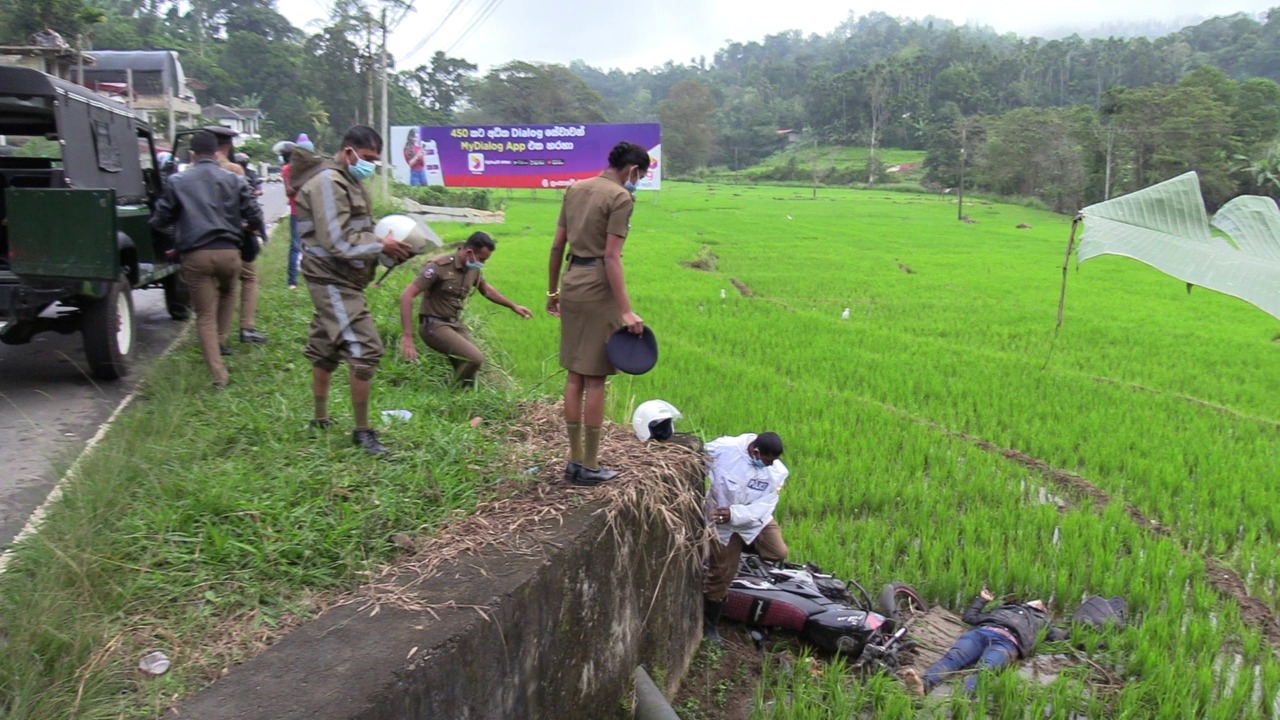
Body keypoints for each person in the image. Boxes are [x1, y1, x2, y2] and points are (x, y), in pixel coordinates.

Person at [292, 125, 412, 455]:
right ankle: (362, 431)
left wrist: (387, 246)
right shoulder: (329, 183)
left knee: (325, 347)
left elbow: (356, 230)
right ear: (348, 152)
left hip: (343, 277)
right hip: (331, 278)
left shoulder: (348, 180)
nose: (370, 165)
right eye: (367, 158)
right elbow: (338, 240)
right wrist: (381, 245)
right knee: (366, 348)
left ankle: (319, 419)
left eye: (374, 160)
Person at [546, 141, 651, 486]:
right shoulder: (620, 197)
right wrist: (626, 310)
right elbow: (611, 256)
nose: (638, 182)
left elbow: (557, 245)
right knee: (595, 379)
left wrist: (552, 292)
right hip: (597, 286)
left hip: (572, 280)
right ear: (632, 170)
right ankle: (589, 464)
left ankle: (574, 461)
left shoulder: (575, 189)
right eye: (640, 176)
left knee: (574, 375)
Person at [150, 130, 263, 388]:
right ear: (216, 153)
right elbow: (254, 215)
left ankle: (218, 374)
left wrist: (178, 232)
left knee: (204, 314)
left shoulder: (178, 181)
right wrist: (245, 228)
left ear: (192, 154)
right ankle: (221, 339)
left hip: (195, 254)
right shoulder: (233, 179)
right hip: (229, 252)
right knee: (229, 292)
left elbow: (159, 220)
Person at [397, 231, 531, 388]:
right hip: (433, 326)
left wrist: (513, 306)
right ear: (469, 252)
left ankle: (461, 396)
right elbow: (407, 295)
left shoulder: (472, 268)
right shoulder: (439, 267)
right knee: (475, 358)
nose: (482, 264)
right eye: (481, 259)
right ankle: (452, 393)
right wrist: (407, 337)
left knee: (470, 372)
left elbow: (487, 290)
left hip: (454, 324)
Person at [701, 432, 788, 646]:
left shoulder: (777, 472)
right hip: (723, 524)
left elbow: (766, 505)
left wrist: (735, 514)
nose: (770, 465)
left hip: (754, 521)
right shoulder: (725, 449)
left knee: (778, 552)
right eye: (767, 460)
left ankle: (736, 551)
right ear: (755, 451)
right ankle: (710, 625)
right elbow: (694, 457)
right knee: (721, 576)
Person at [900, 590, 1052, 696]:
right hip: (981, 633)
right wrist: (982, 600)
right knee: (953, 657)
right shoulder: (1005, 608)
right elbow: (970, 617)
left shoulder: (1042, 621)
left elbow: (1062, 635)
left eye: (1043, 604)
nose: (1040, 602)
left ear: (1043, 610)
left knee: (985, 670)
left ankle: (964, 699)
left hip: (1007, 643)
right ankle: (923, 686)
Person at [207, 126, 268, 345]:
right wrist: (252, 227)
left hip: (204, 239)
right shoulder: (234, 169)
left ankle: (212, 334)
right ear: (228, 146)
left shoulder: (193, 169)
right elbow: (246, 203)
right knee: (248, 278)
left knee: (213, 286)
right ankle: (246, 327)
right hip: (235, 237)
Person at [283, 134, 315, 289]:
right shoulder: (287, 169)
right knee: (296, 245)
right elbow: (288, 191)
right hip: (297, 211)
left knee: (312, 245)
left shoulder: (314, 168)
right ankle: (292, 280)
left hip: (312, 212)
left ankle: (312, 275)